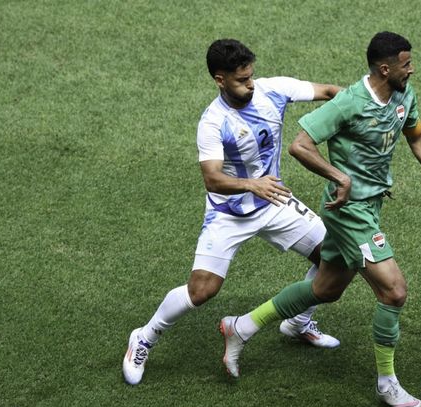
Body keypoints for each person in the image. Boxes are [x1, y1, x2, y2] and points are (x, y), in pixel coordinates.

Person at [217, 32, 421, 407]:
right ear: (385, 69)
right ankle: (388, 384)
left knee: (325, 288)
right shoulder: (350, 102)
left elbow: (417, 137)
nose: (412, 68)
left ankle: (241, 326)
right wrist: (340, 177)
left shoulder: (403, 95)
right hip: (349, 212)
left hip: (369, 207)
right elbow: (300, 145)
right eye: (406, 63)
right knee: (394, 292)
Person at [123, 39, 343, 385]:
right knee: (202, 291)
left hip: (273, 201)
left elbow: (331, 91)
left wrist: (369, 102)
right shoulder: (213, 122)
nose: (250, 84)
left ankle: (298, 322)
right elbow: (212, 179)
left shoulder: (274, 90)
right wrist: (252, 184)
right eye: (241, 80)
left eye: (251, 76)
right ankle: (144, 337)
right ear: (219, 79)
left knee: (336, 257)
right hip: (229, 213)